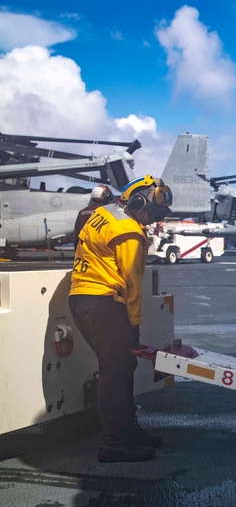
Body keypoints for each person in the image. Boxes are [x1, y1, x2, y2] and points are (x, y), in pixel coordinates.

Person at [69, 175, 173, 462]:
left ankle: (126, 431)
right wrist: (134, 323)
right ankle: (113, 442)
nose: (154, 220)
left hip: (83, 298)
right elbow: (132, 282)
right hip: (105, 303)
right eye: (154, 213)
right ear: (137, 202)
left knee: (122, 368)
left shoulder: (105, 213)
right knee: (116, 373)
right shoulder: (129, 232)